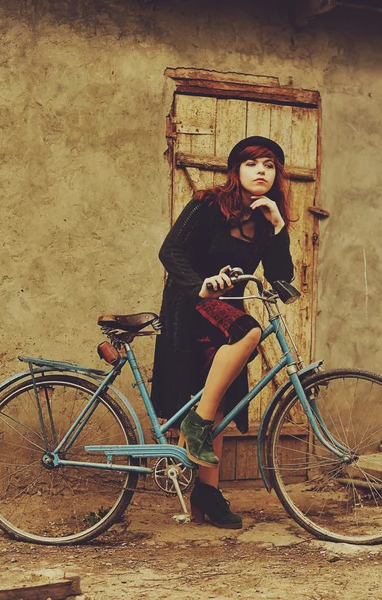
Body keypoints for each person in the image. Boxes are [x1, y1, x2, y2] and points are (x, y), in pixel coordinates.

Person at [151, 136, 294, 529]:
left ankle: (206, 496)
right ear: (236, 171)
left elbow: (282, 279)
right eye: (252, 164)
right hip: (191, 304)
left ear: (277, 174)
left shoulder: (267, 221)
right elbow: (171, 251)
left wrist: (279, 227)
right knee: (249, 333)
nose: (261, 170)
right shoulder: (207, 203)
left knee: (217, 403)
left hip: (223, 311)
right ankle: (196, 429)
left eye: (269, 164)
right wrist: (201, 284)